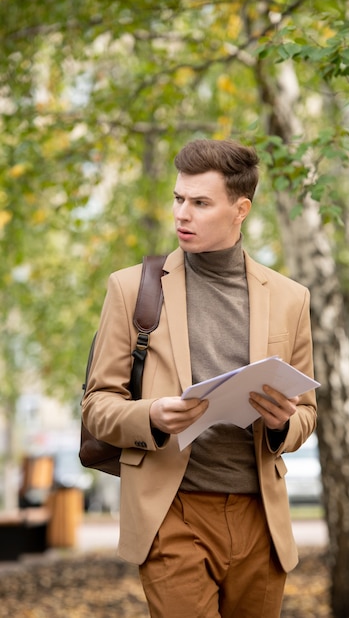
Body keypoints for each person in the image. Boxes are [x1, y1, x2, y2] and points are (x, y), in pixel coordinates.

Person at [82, 138, 317, 618]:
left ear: (240, 208)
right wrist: (152, 414)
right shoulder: (132, 289)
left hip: (260, 519)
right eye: (178, 199)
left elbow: (308, 412)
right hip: (173, 511)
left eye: (200, 203)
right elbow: (97, 406)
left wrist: (281, 424)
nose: (182, 214)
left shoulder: (291, 299)